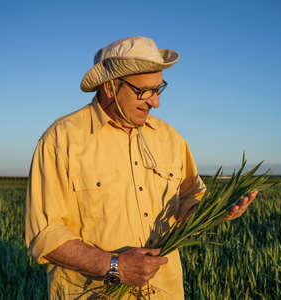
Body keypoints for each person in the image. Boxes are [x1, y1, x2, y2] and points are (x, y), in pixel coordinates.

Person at [25, 36, 257, 300]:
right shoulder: (60, 140)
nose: (155, 102)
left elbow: (190, 198)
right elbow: (44, 235)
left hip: (165, 292)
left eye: (159, 89)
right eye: (144, 91)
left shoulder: (171, 139)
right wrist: (115, 267)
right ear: (110, 87)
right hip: (93, 294)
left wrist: (212, 212)